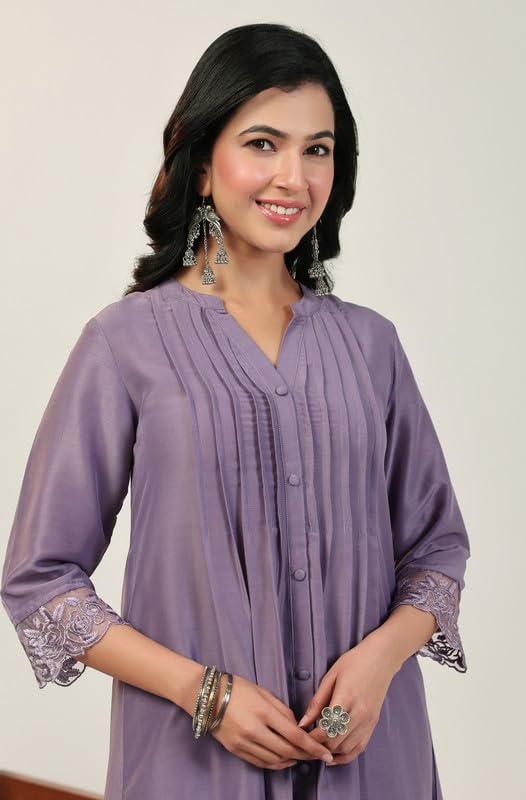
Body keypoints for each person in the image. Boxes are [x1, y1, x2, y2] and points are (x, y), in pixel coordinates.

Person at [1, 22, 470, 800]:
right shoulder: (125, 344)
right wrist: (204, 693)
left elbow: (438, 550)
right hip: (194, 767)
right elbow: (41, 582)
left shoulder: (372, 346)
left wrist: (379, 662)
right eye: (262, 144)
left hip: (372, 761)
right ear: (200, 162)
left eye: (317, 150)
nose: (293, 176)